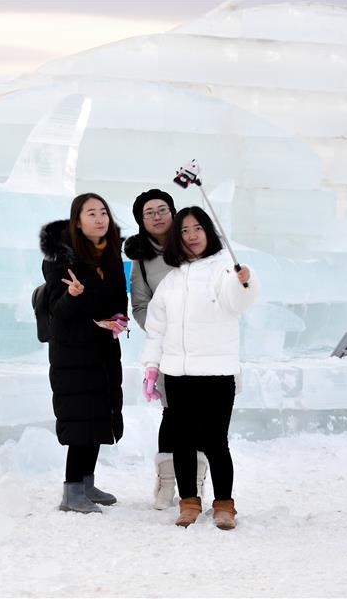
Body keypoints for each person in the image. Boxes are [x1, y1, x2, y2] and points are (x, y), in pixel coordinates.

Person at [140, 206, 259, 529]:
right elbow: (157, 328)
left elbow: (238, 301)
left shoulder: (224, 271)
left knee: (216, 441)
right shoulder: (171, 280)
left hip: (217, 373)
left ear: (209, 231)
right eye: (184, 231)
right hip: (177, 374)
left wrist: (244, 280)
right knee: (182, 442)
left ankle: (224, 505)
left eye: (197, 229)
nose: (192, 236)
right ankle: (188, 502)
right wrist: (152, 366)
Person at [39, 193, 129, 514]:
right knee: (80, 421)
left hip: (103, 347)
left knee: (98, 416)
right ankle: (71, 492)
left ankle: (87, 483)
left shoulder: (112, 256)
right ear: (78, 221)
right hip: (73, 354)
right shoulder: (61, 259)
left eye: (103, 211)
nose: (99, 218)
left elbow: (119, 299)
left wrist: (119, 321)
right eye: (91, 213)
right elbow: (57, 313)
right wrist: (73, 295)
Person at [124, 189, 209, 511]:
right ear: (142, 221)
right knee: (173, 413)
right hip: (168, 347)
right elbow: (140, 304)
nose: (157, 216)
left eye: (163, 209)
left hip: (204, 344)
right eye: (149, 212)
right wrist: (162, 330)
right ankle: (166, 481)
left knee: (202, 413)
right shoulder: (142, 261)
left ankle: (198, 479)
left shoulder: (194, 246)